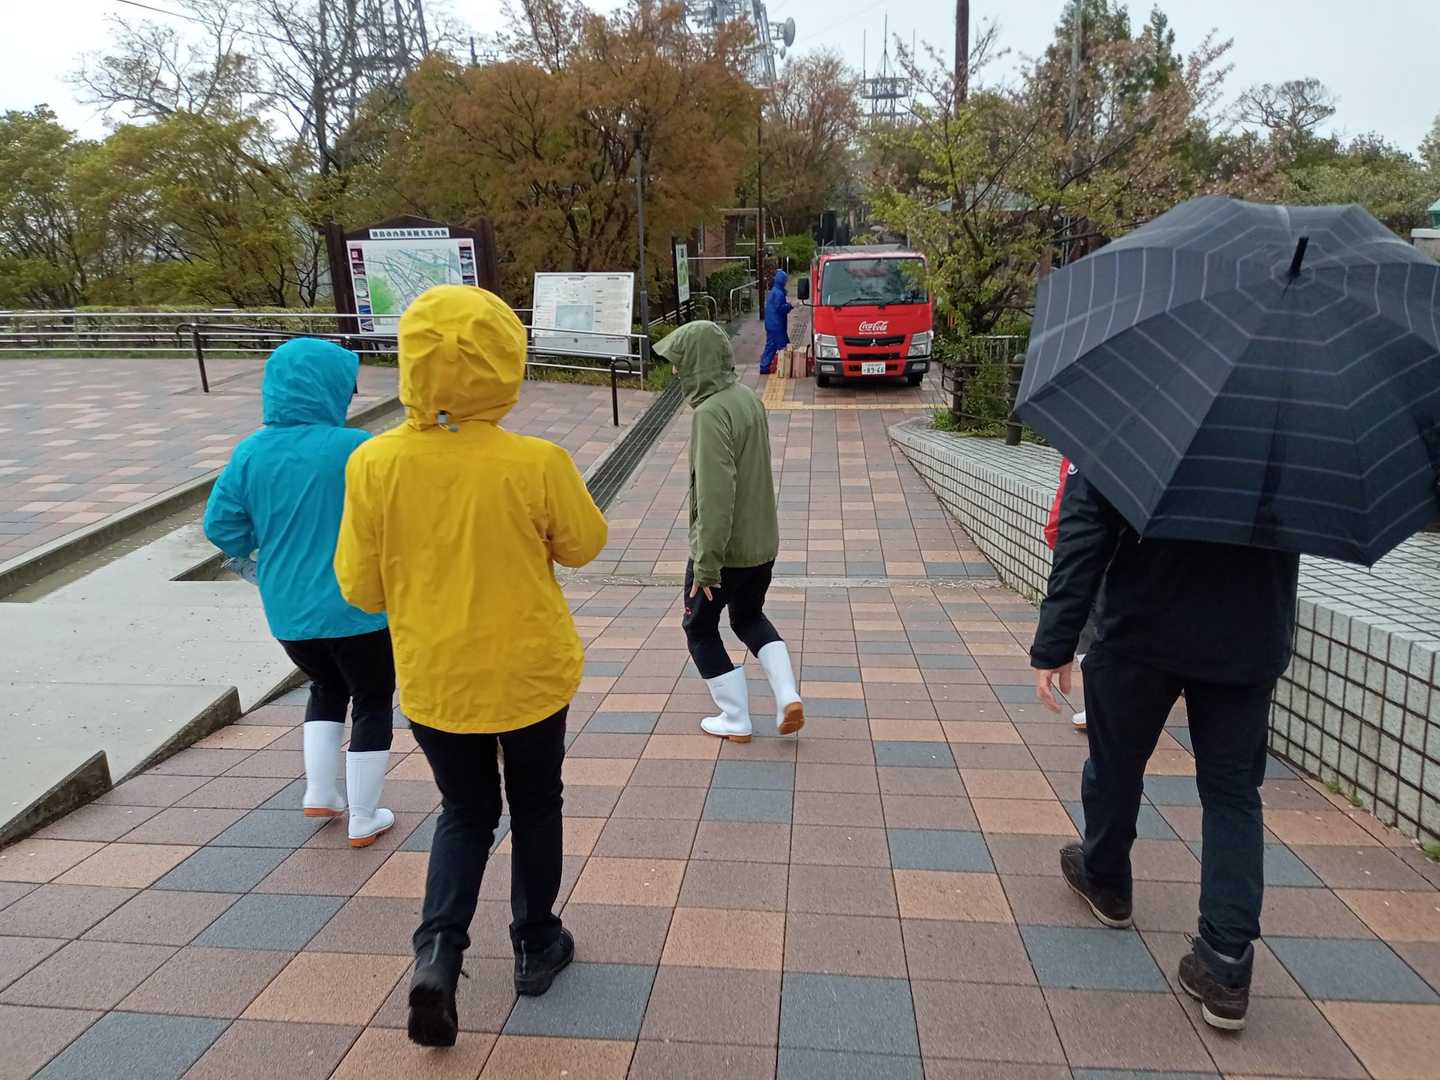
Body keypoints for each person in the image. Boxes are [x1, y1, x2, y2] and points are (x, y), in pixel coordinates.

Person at [335, 285, 606, 1047]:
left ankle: (438, 955)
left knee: (465, 812)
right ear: (504, 361)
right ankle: (535, 941)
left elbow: (360, 588)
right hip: (529, 674)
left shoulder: (373, 462)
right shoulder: (536, 462)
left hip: (436, 678)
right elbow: (584, 545)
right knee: (537, 802)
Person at [1031, 466, 1299, 1033]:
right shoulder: (1292, 423)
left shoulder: (1132, 415)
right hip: (1249, 630)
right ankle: (1226, 964)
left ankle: (1106, 878)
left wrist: (1056, 640)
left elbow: (1087, 522)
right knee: (1232, 792)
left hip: (1143, 623)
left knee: (1116, 762)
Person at [203, 338, 395, 848]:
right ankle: (364, 815)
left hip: (288, 610)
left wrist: (260, 550)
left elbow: (220, 526)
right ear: (328, 389)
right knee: (373, 698)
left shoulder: (251, 452)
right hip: (358, 606)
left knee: (325, 687)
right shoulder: (356, 448)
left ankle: (320, 791)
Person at [654, 320, 803, 741]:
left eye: (680, 361)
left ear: (697, 362)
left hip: (725, 552)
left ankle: (735, 716)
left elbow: (715, 497)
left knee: (699, 628)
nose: (676, 371)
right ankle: (787, 695)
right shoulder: (747, 399)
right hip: (762, 545)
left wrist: (706, 566)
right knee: (748, 617)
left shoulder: (709, 414)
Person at [1043, 456, 1093, 732]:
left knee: (1092, 629)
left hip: (1094, 551)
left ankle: (1099, 705)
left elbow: (1070, 496)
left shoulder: (1092, 446)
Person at [759, 268, 792, 375]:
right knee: (783, 345)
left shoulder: (774, 290)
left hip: (771, 323)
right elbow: (780, 308)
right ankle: (784, 367)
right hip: (776, 324)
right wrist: (790, 306)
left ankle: (765, 366)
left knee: (772, 345)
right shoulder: (779, 293)